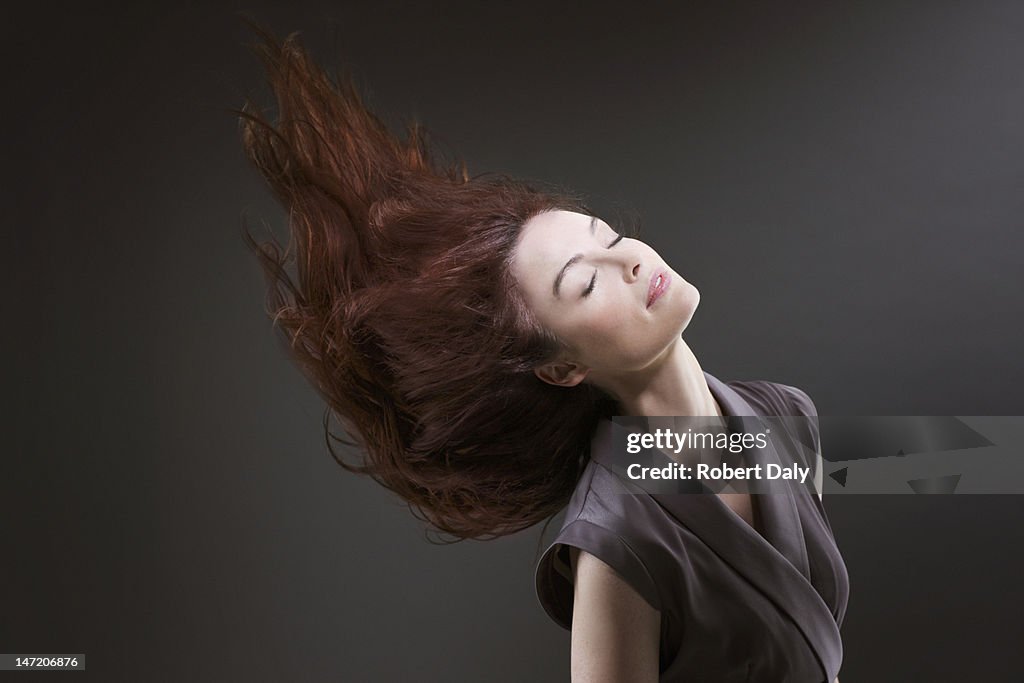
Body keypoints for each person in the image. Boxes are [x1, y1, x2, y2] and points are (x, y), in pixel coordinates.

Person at [237, 24, 848, 683]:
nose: (631, 261)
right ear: (562, 367)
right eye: (587, 282)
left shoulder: (786, 418)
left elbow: (947, 463)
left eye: (607, 235)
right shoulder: (618, 539)